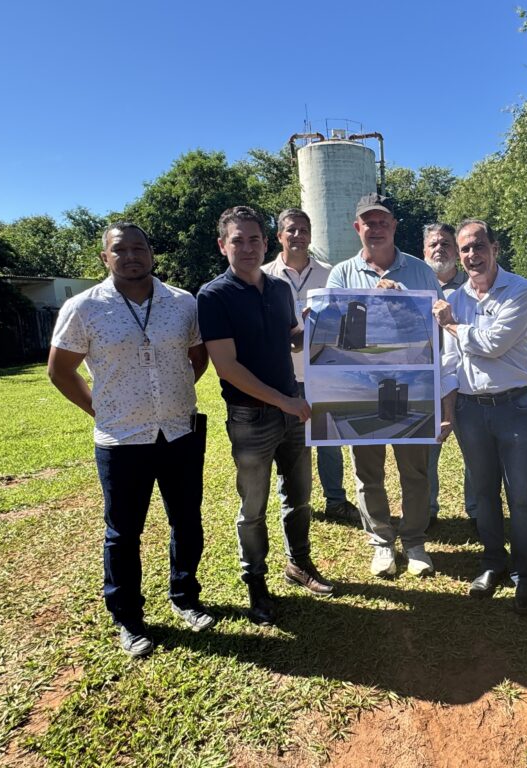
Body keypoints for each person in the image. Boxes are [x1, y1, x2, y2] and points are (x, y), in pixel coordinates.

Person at [48, 222, 213, 658]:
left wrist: (175, 391)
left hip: (179, 430)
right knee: (123, 533)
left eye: (140, 247)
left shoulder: (183, 303)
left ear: (152, 253)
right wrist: (98, 408)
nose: (132, 256)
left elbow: (199, 357)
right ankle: (128, 618)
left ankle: (186, 598)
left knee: (187, 520)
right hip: (121, 439)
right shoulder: (84, 307)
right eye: (121, 249)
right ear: (106, 257)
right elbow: (60, 370)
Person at [197, 205, 334, 627]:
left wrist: (314, 327)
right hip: (251, 417)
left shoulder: (278, 289)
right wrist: (286, 401)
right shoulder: (213, 295)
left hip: (291, 409)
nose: (247, 247)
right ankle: (256, 584)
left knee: (299, 497)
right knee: (252, 508)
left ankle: (299, 565)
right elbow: (227, 367)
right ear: (223, 246)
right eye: (237, 240)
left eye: (254, 239)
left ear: (265, 242)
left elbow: (289, 342)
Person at [325, 193, 450, 578]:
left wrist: (406, 306)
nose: (375, 229)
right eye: (369, 222)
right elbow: (329, 339)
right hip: (363, 387)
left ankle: (413, 541)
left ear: (394, 226)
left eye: (383, 222)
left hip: (411, 386)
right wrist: (368, 304)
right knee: (368, 472)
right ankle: (381, 542)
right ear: (357, 227)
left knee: (415, 470)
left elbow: (440, 332)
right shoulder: (342, 274)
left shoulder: (419, 272)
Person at [433, 219, 527, 616]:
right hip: (470, 410)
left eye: (479, 246)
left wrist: (452, 325)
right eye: (465, 249)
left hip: (514, 407)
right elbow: (448, 361)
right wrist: (447, 413)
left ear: (495, 248)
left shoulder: (520, 290)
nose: (472, 255)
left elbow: (493, 343)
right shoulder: (456, 298)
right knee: (483, 492)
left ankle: (526, 574)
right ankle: (494, 561)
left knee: (522, 496)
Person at [262, 208, 360, 525]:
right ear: (279, 236)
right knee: (289, 444)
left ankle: (335, 500)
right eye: (291, 230)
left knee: (330, 441)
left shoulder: (330, 274)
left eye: (304, 230)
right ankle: (294, 502)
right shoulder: (264, 276)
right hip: (281, 375)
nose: (298, 235)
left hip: (323, 371)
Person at [422, 223, 477, 531]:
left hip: (468, 383)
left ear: (456, 250)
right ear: (423, 251)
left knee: (474, 453)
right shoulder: (416, 286)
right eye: (433, 244)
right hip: (430, 385)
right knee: (427, 454)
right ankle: (428, 510)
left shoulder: (473, 286)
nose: (439, 248)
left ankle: (477, 510)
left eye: (445, 243)